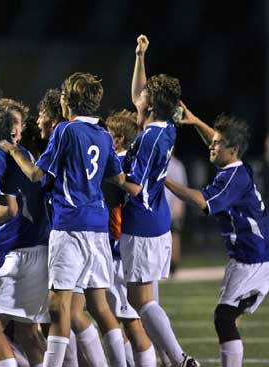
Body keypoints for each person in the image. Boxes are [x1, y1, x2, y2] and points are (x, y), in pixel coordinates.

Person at [0, 72, 128, 367]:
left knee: (58, 308)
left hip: (70, 226)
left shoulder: (66, 131)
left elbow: (36, 174)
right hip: (97, 227)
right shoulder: (104, 135)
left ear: (67, 101)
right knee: (100, 307)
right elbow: (117, 176)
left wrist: (12, 150)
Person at [166, 113, 269, 367]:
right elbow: (215, 139)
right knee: (227, 316)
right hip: (251, 254)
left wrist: (163, 180)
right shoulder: (235, 167)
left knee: (224, 317)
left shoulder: (233, 177)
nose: (212, 145)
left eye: (218, 143)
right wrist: (193, 119)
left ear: (233, 149)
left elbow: (202, 202)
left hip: (252, 257)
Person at [122, 34, 198, 367]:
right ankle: (171, 359)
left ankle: (178, 358)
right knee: (146, 299)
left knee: (139, 301)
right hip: (157, 219)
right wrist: (141, 56)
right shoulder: (166, 126)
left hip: (143, 219)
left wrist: (110, 172)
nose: (138, 98)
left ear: (150, 106)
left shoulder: (151, 135)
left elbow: (135, 186)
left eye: (144, 98)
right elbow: (140, 94)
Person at [0, 103, 50, 367]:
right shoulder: (24, 153)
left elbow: (10, 209)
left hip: (22, 254)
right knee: (28, 334)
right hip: (39, 246)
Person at [103, 110, 157, 366]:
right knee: (119, 320)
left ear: (119, 139)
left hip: (118, 252)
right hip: (127, 250)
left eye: (108, 136)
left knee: (131, 324)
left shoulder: (118, 166)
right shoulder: (131, 164)